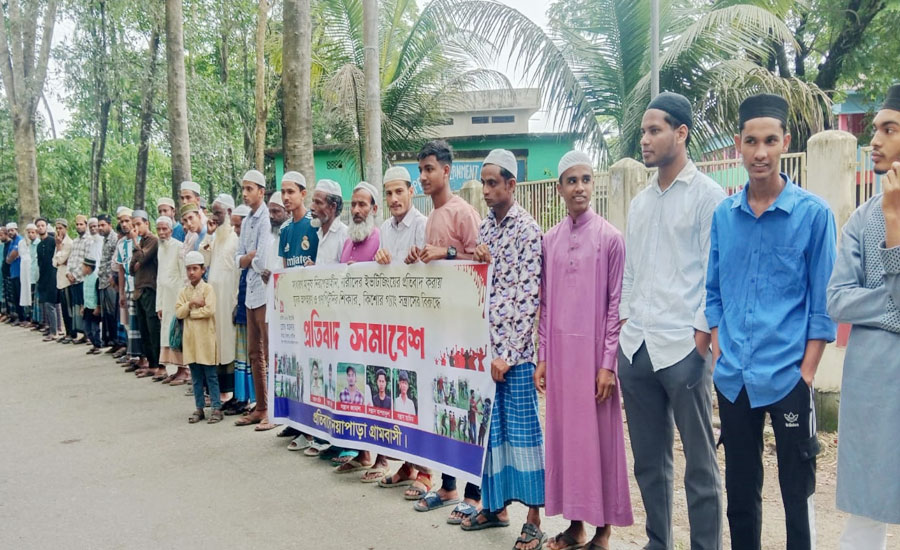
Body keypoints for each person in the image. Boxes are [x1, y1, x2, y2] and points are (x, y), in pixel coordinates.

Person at [706, 94, 836, 550]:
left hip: (788, 378)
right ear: (738, 147)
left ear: (785, 143)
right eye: (750, 141)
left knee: (796, 491)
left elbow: (823, 304)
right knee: (741, 494)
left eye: (770, 141)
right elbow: (714, 291)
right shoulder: (724, 216)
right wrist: (720, 347)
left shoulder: (814, 215)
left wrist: (807, 371)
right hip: (734, 377)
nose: (760, 152)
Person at [617, 93, 725, 550]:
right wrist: (626, 325)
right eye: (643, 131)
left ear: (681, 133)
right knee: (648, 462)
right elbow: (632, 273)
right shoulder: (641, 204)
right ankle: (658, 542)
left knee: (700, 465)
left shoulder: (708, 197)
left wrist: (699, 341)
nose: (645, 139)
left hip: (683, 350)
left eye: (654, 129)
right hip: (637, 348)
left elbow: (712, 273)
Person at [536, 150, 633, 550]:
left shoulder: (610, 239)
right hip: (561, 360)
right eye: (572, 180)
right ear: (559, 188)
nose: (580, 187)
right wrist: (543, 357)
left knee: (601, 444)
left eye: (586, 179)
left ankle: (603, 531)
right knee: (568, 442)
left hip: (595, 362)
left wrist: (608, 363)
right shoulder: (550, 240)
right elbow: (543, 304)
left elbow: (616, 306)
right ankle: (575, 526)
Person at [460, 149, 546, 549]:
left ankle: (534, 517)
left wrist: (508, 355)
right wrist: (482, 262)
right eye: (484, 183)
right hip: (487, 351)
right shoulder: (486, 230)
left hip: (514, 356)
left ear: (512, 185)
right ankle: (495, 508)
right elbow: (485, 285)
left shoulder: (528, 230)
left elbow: (528, 297)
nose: (487, 190)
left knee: (523, 434)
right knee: (491, 434)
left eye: (494, 183)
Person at [827, 84, 900, 550]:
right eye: (874, 128)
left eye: (888, 129)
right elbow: (837, 300)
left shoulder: (879, 215)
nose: (872, 139)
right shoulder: (862, 217)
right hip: (874, 382)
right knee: (865, 518)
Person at [410, 140, 482, 521]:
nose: (423, 177)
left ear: (447, 172)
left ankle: (474, 493)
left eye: (429, 170)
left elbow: (482, 261)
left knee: (467, 406)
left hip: (467, 330)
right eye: (420, 170)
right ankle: (448, 483)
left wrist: (448, 254)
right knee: (444, 407)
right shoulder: (431, 217)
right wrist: (418, 259)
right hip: (440, 327)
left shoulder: (463, 212)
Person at [233, 169, 276, 430]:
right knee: (253, 352)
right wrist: (249, 258)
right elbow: (239, 258)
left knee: (269, 351)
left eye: (250, 189)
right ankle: (260, 407)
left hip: (264, 290)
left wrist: (250, 258)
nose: (246, 194)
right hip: (250, 290)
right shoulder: (247, 220)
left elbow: (261, 258)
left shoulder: (265, 219)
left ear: (261, 191)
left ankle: (272, 410)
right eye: (244, 189)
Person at [177, 250, 222, 424]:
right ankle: (199, 408)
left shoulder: (208, 289)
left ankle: (217, 407)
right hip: (190, 341)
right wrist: (192, 304)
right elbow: (179, 312)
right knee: (196, 378)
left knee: (210, 375)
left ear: (203, 270)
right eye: (188, 269)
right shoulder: (184, 292)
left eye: (195, 268)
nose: (191, 272)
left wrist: (191, 313)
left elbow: (209, 310)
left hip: (206, 340)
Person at [206, 195, 240, 411]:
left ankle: (232, 393)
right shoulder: (215, 238)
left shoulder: (235, 239)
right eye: (212, 213)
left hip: (229, 301)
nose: (214, 217)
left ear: (229, 213)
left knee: (230, 345)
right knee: (217, 344)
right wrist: (208, 236)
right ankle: (220, 392)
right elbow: (204, 261)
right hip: (215, 302)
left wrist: (236, 302)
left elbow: (237, 274)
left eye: (218, 213)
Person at [153, 216, 189, 385]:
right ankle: (175, 369)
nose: (161, 232)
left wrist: (182, 300)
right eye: (158, 229)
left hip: (177, 296)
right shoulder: (160, 248)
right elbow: (160, 277)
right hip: (165, 298)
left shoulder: (179, 247)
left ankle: (184, 370)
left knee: (178, 331)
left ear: (171, 230)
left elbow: (184, 275)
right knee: (167, 332)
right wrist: (158, 304)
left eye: (164, 229)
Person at [129, 211, 162, 379]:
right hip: (138, 290)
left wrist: (135, 243)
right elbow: (131, 267)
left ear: (146, 223)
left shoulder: (153, 241)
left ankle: (156, 364)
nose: (135, 228)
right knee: (143, 329)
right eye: (133, 225)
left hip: (149, 288)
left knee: (152, 328)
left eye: (138, 225)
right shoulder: (141, 242)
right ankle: (150, 363)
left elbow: (141, 258)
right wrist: (137, 251)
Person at [374, 167, 427, 268]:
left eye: (399, 192)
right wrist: (379, 258)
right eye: (389, 193)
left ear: (410, 192)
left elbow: (428, 269)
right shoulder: (385, 228)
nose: (393, 199)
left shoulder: (423, 225)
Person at [230, 204, 254, 414]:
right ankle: (241, 396)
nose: (237, 231)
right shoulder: (242, 248)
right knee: (242, 354)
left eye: (239, 227)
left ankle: (253, 399)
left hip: (253, 306)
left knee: (253, 354)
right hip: (242, 304)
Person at [279, 171, 319, 269]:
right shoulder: (284, 229)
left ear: (303, 194)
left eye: (290, 192)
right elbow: (285, 269)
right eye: (283, 192)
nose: (285, 197)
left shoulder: (315, 223)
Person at [308, 179, 348, 266]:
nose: (312, 207)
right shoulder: (320, 233)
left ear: (333, 206)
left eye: (318, 202)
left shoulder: (345, 235)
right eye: (313, 201)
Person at [96, 215, 120, 351]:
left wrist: (113, 277)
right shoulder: (104, 240)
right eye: (99, 225)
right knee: (107, 314)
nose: (100, 228)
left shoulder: (114, 238)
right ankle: (111, 341)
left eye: (102, 225)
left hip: (111, 281)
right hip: (103, 280)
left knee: (113, 313)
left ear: (109, 225)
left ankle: (117, 342)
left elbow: (115, 261)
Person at [66, 215, 91, 344]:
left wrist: (75, 275)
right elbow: (71, 259)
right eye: (77, 224)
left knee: (84, 306)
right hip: (73, 279)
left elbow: (86, 261)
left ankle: (88, 334)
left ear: (86, 225)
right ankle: (82, 333)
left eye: (81, 224)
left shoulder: (89, 240)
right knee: (76, 306)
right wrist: (68, 273)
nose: (79, 226)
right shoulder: (75, 241)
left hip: (82, 279)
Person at [340, 182, 381, 263]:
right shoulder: (347, 242)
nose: (356, 210)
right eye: (353, 205)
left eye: (362, 205)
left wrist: (359, 270)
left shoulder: (380, 240)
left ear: (374, 209)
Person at [35, 219, 60, 341]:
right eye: (38, 226)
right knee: (47, 303)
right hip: (43, 277)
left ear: (46, 227)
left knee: (51, 303)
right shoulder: (39, 245)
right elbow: (40, 263)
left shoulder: (52, 241)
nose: (40, 228)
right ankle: (53, 327)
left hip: (53, 275)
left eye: (42, 225)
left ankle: (55, 331)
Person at [53, 218, 75, 343]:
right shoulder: (58, 244)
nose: (58, 231)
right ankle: (67, 332)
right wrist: (59, 250)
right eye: (57, 228)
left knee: (68, 308)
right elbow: (54, 262)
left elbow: (61, 260)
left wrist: (59, 249)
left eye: (61, 228)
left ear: (66, 228)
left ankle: (72, 333)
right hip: (60, 279)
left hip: (67, 280)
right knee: (63, 308)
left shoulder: (69, 243)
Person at [4, 223, 25, 324]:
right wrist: (11, 257)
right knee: (15, 297)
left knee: (20, 296)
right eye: (9, 231)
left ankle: (23, 318)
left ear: (16, 229)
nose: (10, 233)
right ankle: (19, 317)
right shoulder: (12, 242)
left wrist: (11, 257)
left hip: (20, 272)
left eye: (12, 230)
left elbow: (13, 255)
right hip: (13, 272)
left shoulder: (20, 240)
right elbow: (8, 259)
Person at [81, 257, 102, 354]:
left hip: (94, 307)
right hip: (87, 307)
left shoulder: (96, 278)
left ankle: (98, 344)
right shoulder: (85, 278)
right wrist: (83, 306)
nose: (82, 269)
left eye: (83, 267)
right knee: (87, 328)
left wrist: (98, 306)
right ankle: (93, 344)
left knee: (95, 328)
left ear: (88, 268)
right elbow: (84, 293)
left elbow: (98, 293)